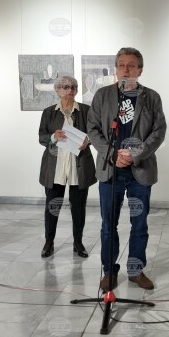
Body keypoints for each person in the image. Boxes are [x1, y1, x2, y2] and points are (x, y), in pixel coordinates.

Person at [87, 47, 167, 291]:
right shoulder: (103, 95)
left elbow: (159, 131)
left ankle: (136, 271)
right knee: (108, 225)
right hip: (110, 171)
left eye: (131, 65)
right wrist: (112, 154)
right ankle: (109, 272)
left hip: (139, 171)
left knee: (139, 224)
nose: (126, 69)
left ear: (140, 70)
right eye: (121, 64)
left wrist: (135, 155)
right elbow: (93, 129)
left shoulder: (151, 97)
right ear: (116, 68)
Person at [38, 76, 96, 258]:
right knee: (52, 207)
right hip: (55, 168)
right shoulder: (49, 112)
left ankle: (78, 243)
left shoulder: (86, 110)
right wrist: (53, 137)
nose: (69, 90)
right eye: (65, 87)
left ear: (77, 90)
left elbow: (96, 133)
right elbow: (41, 137)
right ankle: (49, 242)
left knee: (78, 208)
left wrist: (88, 140)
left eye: (73, 87)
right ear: (57, 90)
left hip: (79, 167)